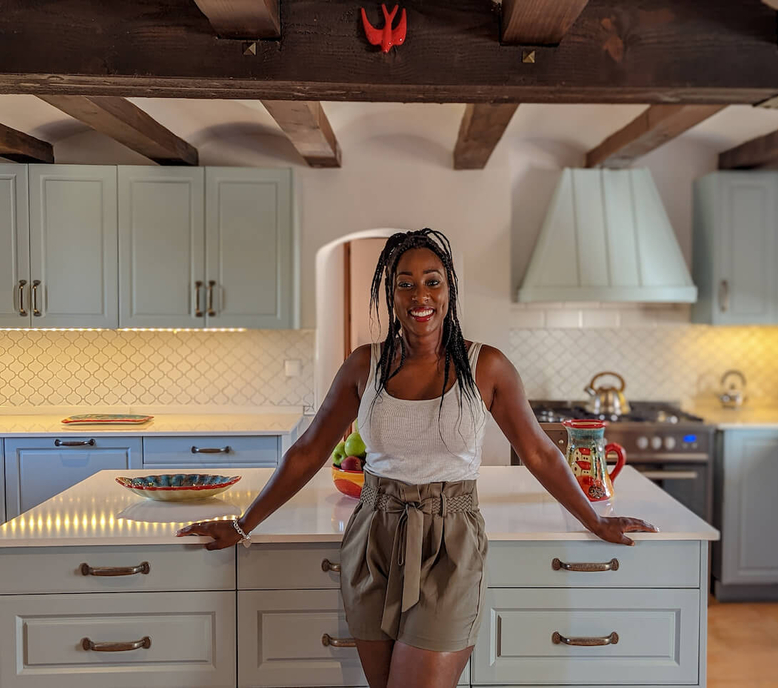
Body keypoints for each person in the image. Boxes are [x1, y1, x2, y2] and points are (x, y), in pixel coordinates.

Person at [177, 228, 658, 688]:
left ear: (449, 291)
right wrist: (242, 525)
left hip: (451, 540)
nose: (419, 295)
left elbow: (537, 452)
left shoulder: (485, 366)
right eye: (404, 284)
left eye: (433, 281)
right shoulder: (364, 365)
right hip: (373, 537)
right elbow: (307, 453)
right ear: (391, 295)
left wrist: (595, 521)